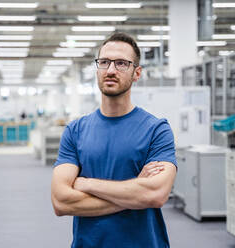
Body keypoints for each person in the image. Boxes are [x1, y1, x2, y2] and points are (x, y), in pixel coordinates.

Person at [51, 32, 177, 248]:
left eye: (121, 63)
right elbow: (61, 201)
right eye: (104, 62)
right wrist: (134, 192)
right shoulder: (75, 131)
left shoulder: (157, 130)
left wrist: (86, 183)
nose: (110, 70)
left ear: (136, 73)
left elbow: (154, 194)